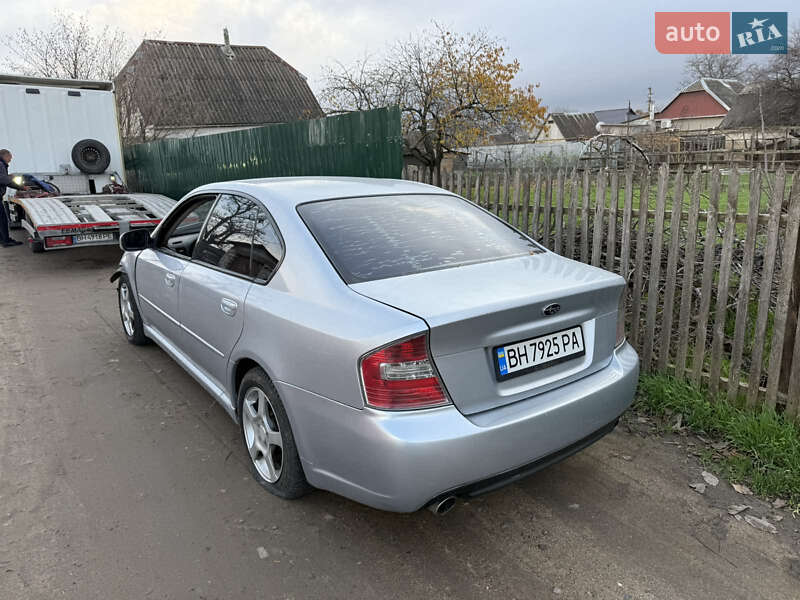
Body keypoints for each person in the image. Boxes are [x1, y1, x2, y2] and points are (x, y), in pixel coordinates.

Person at [0, 149, 24, 247]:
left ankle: (3, 239)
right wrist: (20, 186)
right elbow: (3, 180)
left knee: (0, 220)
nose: (11, 158)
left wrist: (9, 177)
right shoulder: (1, 164)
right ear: (5, 156)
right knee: (2, 219)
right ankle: (6, 241)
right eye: (10, 156)